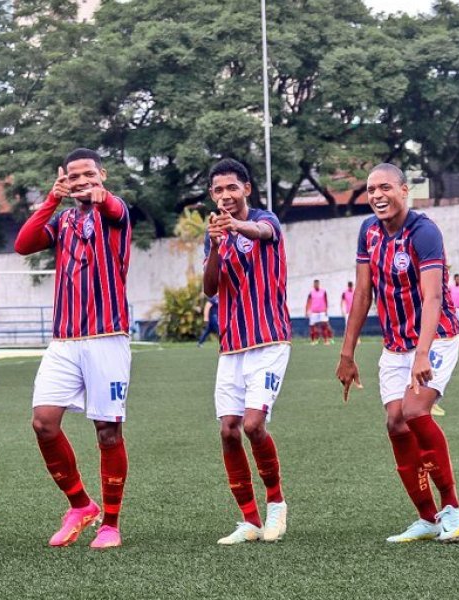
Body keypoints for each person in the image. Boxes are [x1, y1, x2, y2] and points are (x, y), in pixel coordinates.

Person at [336, 163, 459, 544]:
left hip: (435, 339)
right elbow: (363, 294)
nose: (377, 195)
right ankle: (427, 518)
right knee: (395, 423)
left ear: (404, 190)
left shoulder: (424, 231)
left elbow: (433, 296)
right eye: (371, 189)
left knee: (415, 412)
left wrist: (422, 353)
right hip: (394, 346)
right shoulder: (368, 231)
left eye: (385, 187)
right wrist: (347, 354)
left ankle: (452, 508)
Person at [14, 148, 132, 550]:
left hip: (107, 338)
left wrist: (103, 197)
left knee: (107, 432)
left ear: (102, 174)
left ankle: (111, 524)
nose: (82, 181)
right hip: (64, 340)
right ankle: (81, 504)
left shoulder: (116, 212)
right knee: (43, 423)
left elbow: (114, 207)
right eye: (73, 176)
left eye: (88, 175)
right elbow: (23, 244)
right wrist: (52, 198)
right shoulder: (62, 220)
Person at [200, 158, 291, 545]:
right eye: (219, 190)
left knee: (253, 425)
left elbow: (262, 232)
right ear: (212, 194)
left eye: (232, 188)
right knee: (228, 430)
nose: (226, 195)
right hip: (232, 345)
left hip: (269, 340)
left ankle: (276, 504)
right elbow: (209, 287)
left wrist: (235, 226)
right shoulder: (214, 235)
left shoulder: (265, 219)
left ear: (247, 189)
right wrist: (216, 245)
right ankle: (249, 520)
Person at [305, 279, 333, 345]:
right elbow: (308, 302)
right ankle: (313, 341)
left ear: (319, 284)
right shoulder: (311, 292)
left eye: (317, 284)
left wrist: (326, 309)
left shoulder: (323, 291)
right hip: (314, 312)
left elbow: (326, 301)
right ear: (313, 285)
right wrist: (306, 311)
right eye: (315, 284)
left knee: (324, 326)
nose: (316, 285)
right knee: (312, 327)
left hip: (322, 311)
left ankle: (326, 341)